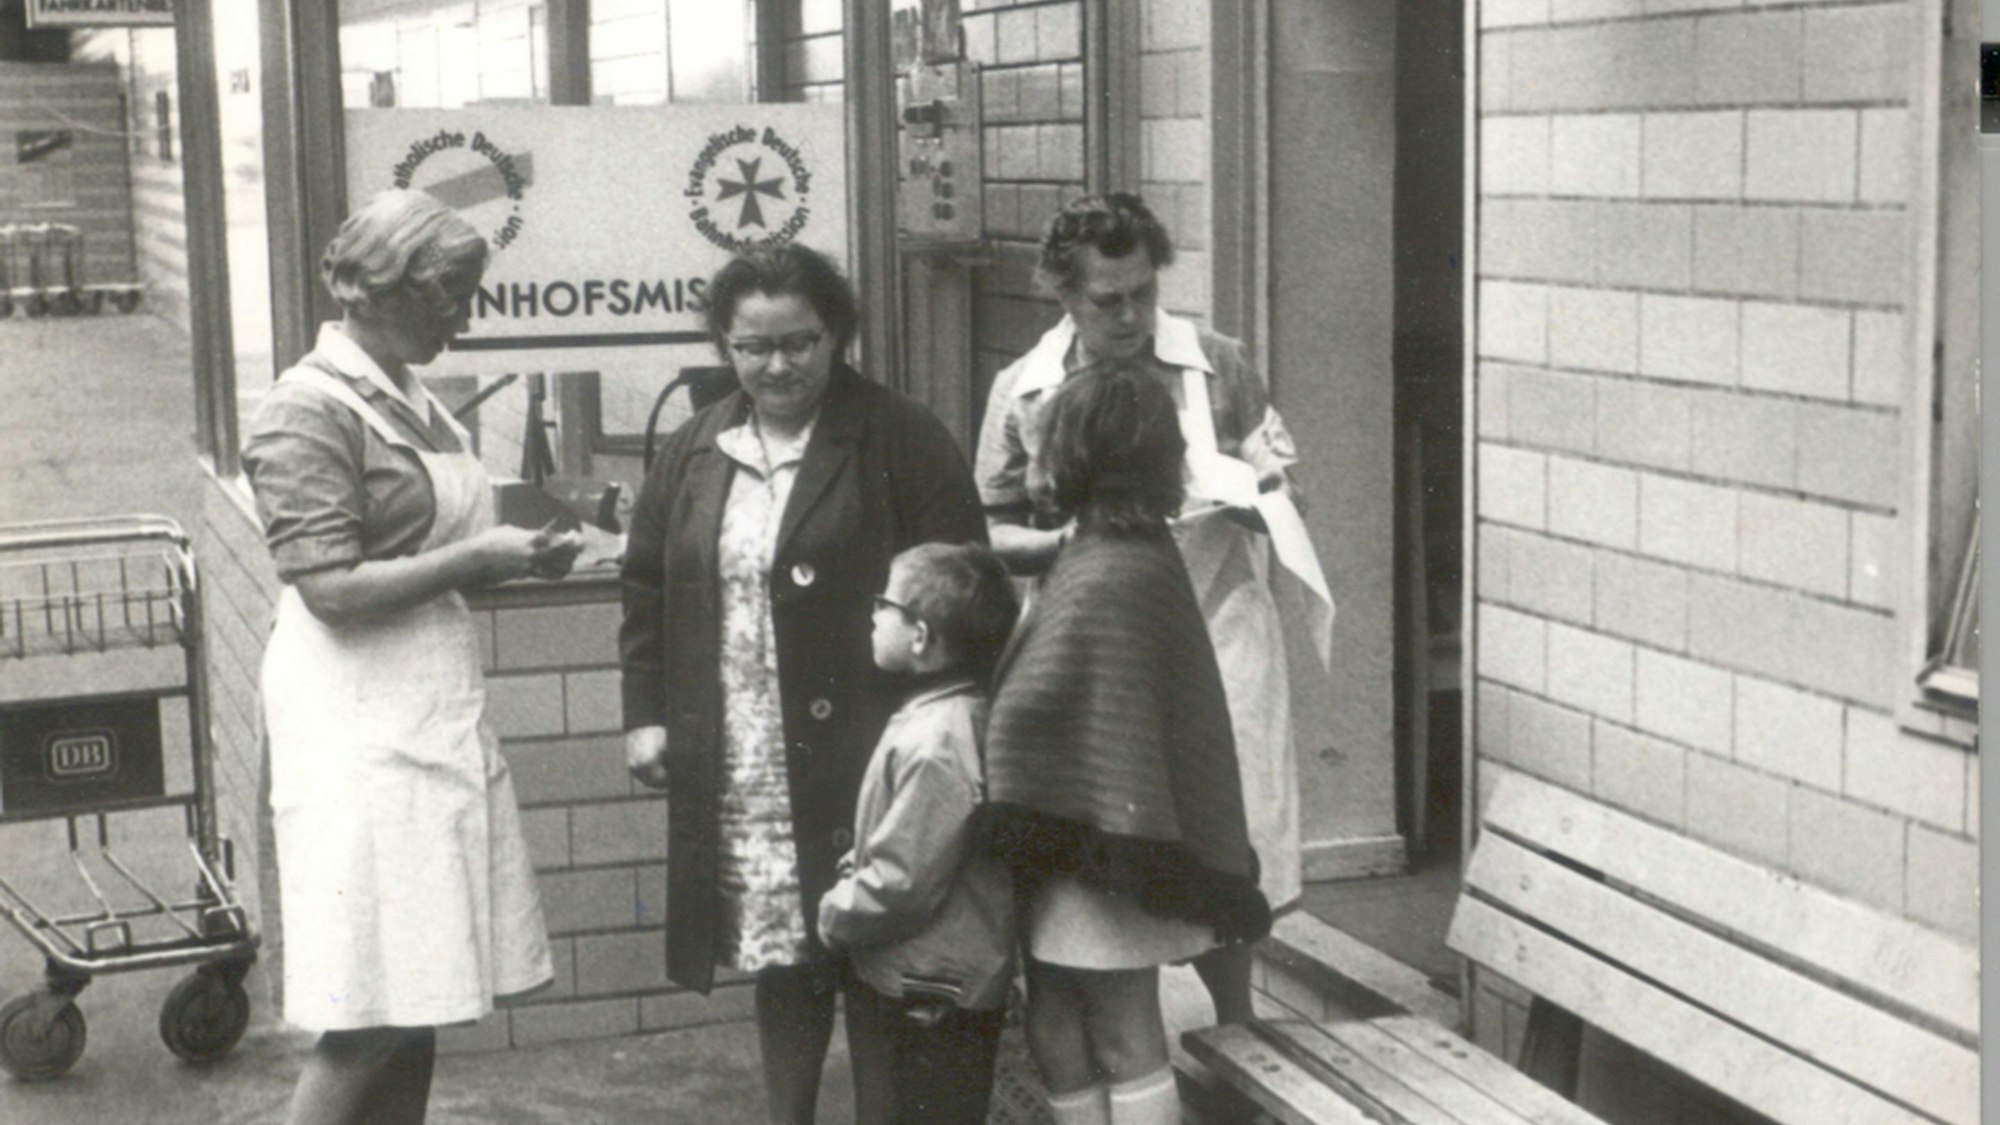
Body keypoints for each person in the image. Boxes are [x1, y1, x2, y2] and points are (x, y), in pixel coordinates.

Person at [618, 242, 988, 1125]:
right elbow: (646, 585)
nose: (776, 366)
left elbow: (966, 585)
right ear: (724, 345)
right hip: (748, 753)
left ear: (838, 336)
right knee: (784, 953)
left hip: (876, 746)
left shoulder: (899, 435)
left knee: (876, 955)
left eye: (799, 343)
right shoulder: (698, 446)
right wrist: (647, 714)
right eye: (753, 347)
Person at [243, 189, 575, 1125]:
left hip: (427, 706)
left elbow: (428, 552)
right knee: (367, 1015)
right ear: (380, 290)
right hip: (354, 723)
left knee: (417, 994)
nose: (463, 318)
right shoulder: (305, 409)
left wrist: (523, 556)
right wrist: (477, 559)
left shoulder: (413, 399)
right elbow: (331, 589)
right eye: (449, 297)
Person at [974, 191, 1324, 1025]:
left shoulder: (1220, 365)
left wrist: (1256, 497)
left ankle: (1237, 1022)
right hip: (1093, 640)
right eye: (1108, 300)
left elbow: (1285, 486)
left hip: (1217, 624)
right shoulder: (1023, 390)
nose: (1131, 316)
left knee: (1229, 828)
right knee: (1107, 828)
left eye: (1144, 293)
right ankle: (1122, 1030)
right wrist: (1063, 544)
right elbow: (988, 525)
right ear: (1063, 292)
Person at [984, 362, 1269, 1125]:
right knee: (1061, 1010)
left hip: (1102, 842)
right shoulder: (1116, 549)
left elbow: (1040, 703)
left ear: (1074, 454)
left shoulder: (1112, 567)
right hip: (1089, 832)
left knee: (1119, 1019)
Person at [816, 542, 1020, 1125]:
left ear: (921, 636)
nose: (872, 615)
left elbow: (904, 881)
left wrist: (835, 914)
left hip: (928, 988)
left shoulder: (937, 742)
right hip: (932, 976)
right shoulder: (948, 715)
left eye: (884, 604)